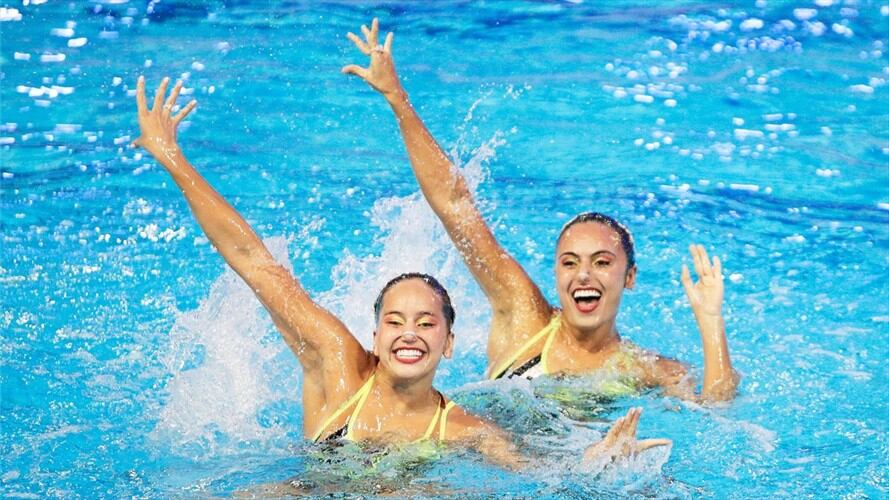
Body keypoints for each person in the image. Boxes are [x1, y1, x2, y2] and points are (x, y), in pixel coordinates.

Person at [131, 76, 670, 472]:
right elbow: (254, 263)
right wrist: (172, 158)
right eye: (395, 321)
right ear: (375, 335)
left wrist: (594, 461)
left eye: (425, 324)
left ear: (450, 344)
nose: (409, 333)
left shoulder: (463, 428)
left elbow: (538, 475)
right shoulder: (340, 373)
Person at [343, 19, 738, 402]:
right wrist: (397, 99)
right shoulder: (524, 318)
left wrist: (709, 320)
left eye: (601, 262)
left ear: (629, 276)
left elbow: (715, 406)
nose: (583, 275)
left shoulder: (644, 369)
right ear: (556, 271)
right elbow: (455, 203)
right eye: (569, 262)